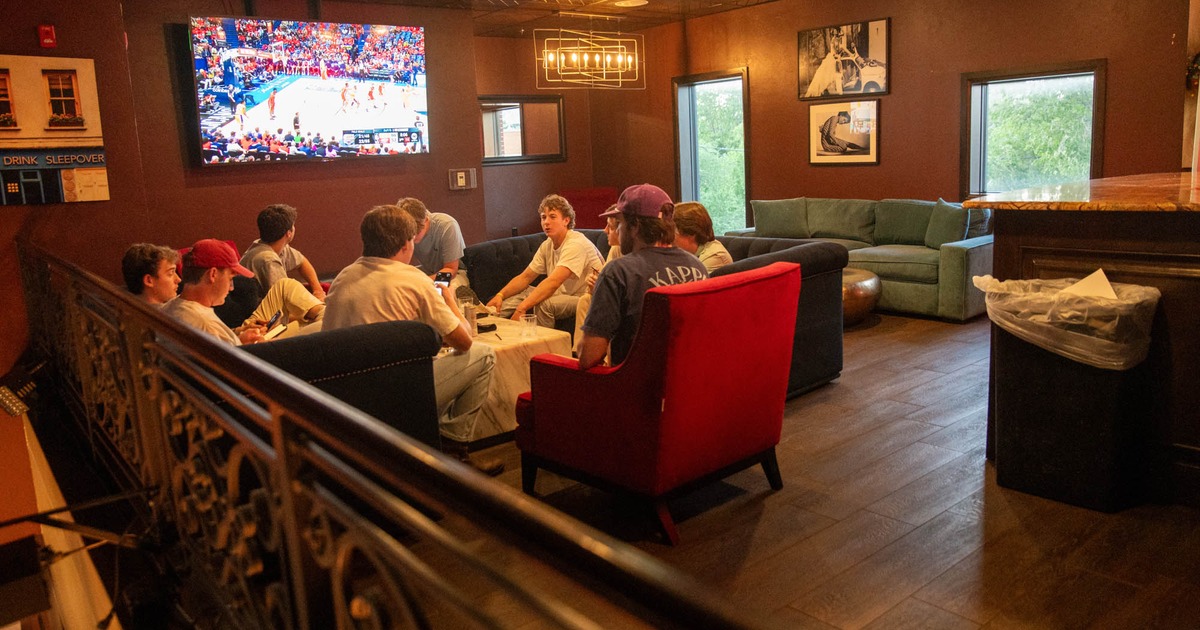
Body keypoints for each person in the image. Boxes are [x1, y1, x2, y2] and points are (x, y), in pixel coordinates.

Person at [322, 205, 502, 475]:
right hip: (392, 397)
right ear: (407, 244)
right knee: (484, 354)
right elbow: (464, 340)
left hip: (342, 398)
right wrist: (449, 300)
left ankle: (429, 443)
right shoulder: (413, 279)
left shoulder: (342, 278)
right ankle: (454, 454)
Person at [578, 184, 709, 370]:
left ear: (635, 226)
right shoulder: (697, 267)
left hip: (634, 390)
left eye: (620, 223)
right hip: (689, 384)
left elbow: (589, 356)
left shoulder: (618, 272)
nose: (618, 231)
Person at [485, 194, 603, 327]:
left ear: (566, 220)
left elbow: (553, 282)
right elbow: (526, 277)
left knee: (544, 304)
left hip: (585, 298)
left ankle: (542, 345)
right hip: (563, 294)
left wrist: (521, 308)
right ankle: (487, 319)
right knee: (524, 291)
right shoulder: (547, 245)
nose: (546, 222)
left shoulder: (576, 244)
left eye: (552, 217)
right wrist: (500, 295)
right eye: (543, 217)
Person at [162, 239, 266, 346]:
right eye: (230, 279)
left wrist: (239, 338)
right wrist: (258, 347)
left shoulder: (168, 307)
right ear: (213, 274)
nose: (231, 288)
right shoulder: (207, 326)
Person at [240, 203, 326, 300]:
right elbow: (285, 298)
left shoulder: (273, 245)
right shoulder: (268, 259)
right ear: (289, 233)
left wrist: (318, 290)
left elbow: (302, 262)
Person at [572, 210, 622, 356]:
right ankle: (578, 355)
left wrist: (600, 289)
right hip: (611, 298)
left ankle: (599, 359)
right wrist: (594, 286)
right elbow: (602, 286)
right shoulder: (615, 249)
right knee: (585, 300)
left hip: (620, 302)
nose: (604, 231)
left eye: (610, 227)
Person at [394, 197, 466, 279]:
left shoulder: (447, 225)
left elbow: (451, 270)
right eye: (409, 235)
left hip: (455, 274)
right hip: (429, 270)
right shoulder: (400, 229)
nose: (412, 238)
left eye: (417, 232)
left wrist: (425, 284)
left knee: (439, 290)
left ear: (426, 220)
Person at [673, 201, 733, 272]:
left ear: (691, 232)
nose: (669, 238)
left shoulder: (714, 257)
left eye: (673, 233)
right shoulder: (689, 253)